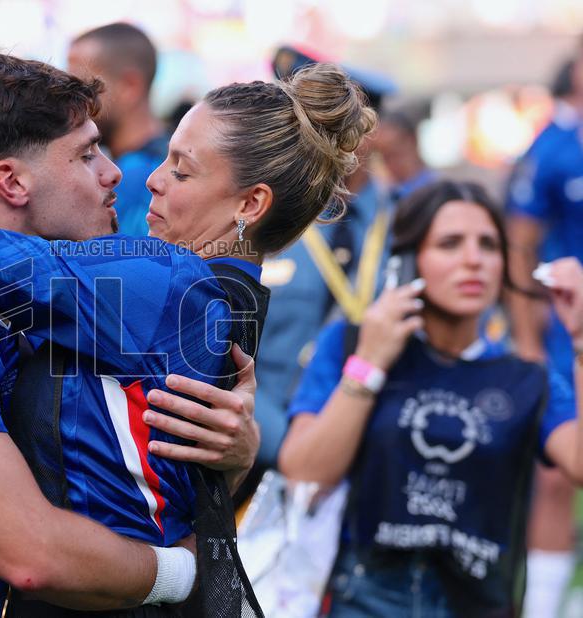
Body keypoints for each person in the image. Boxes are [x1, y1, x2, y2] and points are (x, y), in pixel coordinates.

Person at [0, 52, 376, 615]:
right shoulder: (220, 291)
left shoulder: (167, 284)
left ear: (250, 203)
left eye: (181, 170)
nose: (148, 178)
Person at [278, 179, 583, 616]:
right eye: (450, 244)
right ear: (407, 260)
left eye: (489, 246)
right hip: (361, 598)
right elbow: (305, 471)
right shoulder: (349, 344)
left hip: (477, 601)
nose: (473, 260)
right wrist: (371, 363)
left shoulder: (524, 379)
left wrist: (581, 338)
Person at [249, 46, 395, 485]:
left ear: (368, 131)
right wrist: (284, 445)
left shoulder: (407, 223)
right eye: (306, 123)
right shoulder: (256, 218)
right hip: (266, 452)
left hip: (376, 458)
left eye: (334, 123)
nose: (317, 138)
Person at [506, 41, 583, 618]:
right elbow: (520, 243)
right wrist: (528, 343)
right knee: (557, 472)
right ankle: (544, 606)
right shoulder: (552, 148)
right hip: (565, 332)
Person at [67, 22, 168, 236]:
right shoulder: (169, 161)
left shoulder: (138, 174)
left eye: (83, 87)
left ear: (129, 86)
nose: (72, 101)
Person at [374, 110, 437, 202]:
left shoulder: (438, 190)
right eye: (385, 157)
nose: (391, 164)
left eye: (396, 153)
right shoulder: (385, 196)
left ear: (413, 140)